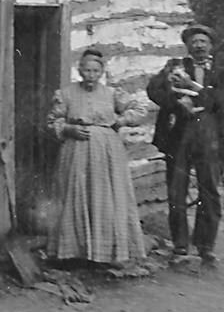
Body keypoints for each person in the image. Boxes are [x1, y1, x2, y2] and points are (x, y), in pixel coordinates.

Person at [47, 49, 149, 275]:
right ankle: (72, 253)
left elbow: (140, 109)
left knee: (105, 198)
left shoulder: (112, 94)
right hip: (76, 152)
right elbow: (53, 120)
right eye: (86, 70)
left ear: (102, 72)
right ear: (79, 71)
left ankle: (107, 254)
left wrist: (121, 120)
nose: (91, 75)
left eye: (95, 71)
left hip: (107, 153)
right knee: (75, 196)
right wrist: (69, 128)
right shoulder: (66, 93)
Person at [148, 24, 224, 266]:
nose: (199, 45)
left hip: (209, 134)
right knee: (177, 189)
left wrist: (198, 91)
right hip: (179, 133)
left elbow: (221, 102)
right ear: (188, 46)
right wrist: (175, 103)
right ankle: (181, 245)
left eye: (203, 41)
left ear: (211, 46)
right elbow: (153, 90)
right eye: (194, 41)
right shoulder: (175, 66)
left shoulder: (221, 72)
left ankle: (206, 246)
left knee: (210, 190)